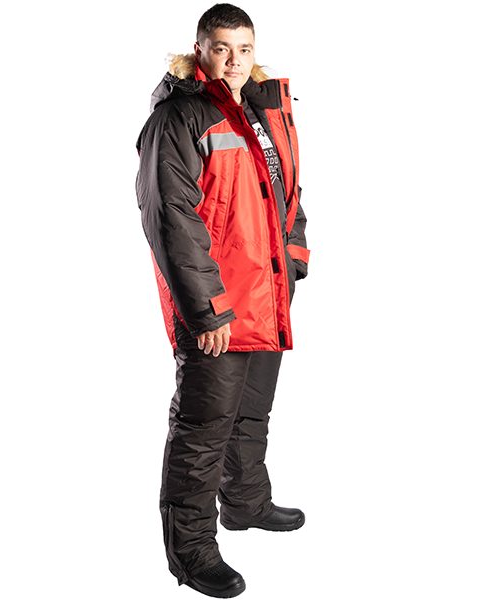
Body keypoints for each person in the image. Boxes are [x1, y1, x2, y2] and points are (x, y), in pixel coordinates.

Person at [136, 4, 310, 597]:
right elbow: (170, 219)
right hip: (217, 308)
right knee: (202, 432)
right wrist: (206, 307)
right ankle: (191, 554)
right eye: (221, 48)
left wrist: (294, 258)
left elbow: (286, 192)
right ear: (199, 50)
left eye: (244, 49)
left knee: (251, 414)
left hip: (268, 296)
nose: (234, 61)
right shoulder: (180, 117)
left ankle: (246, 502)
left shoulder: (260, 110)